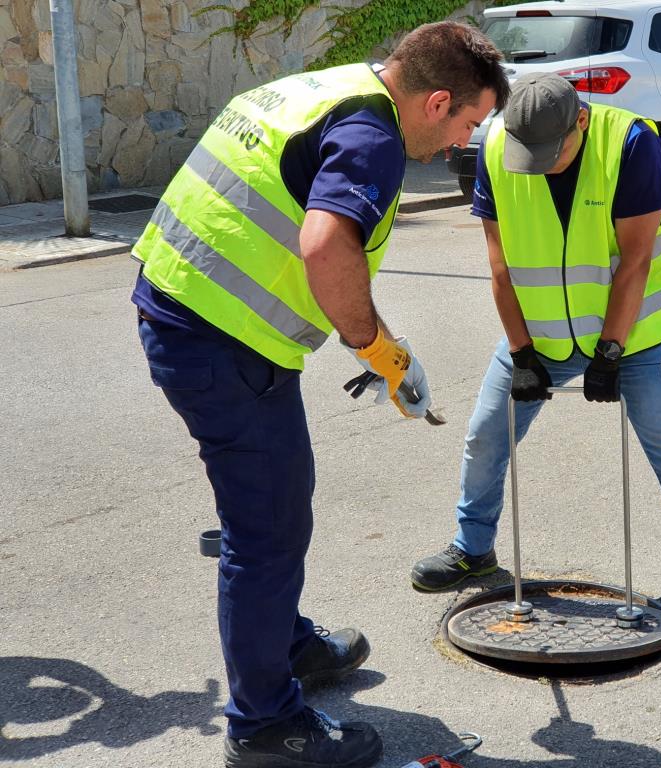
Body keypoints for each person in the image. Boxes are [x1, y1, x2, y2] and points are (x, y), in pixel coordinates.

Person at [131, 22, 509, 768]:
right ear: (436, 102)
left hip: (181, 305)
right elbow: (327, 243)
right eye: (469, 123)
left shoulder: (322, 87)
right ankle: (266, 726)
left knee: (277, 503)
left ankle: (287, 646)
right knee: (265, 532)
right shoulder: (372, 136)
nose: (465, 142)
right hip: (221, 342)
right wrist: (378, 348)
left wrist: (380, 343)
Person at [410, 73, 661, 669]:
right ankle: (472, 550)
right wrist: (522, 352)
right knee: (485, 435)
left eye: (552, 155)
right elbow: (500, 266)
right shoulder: (498, 149)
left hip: (636, 339)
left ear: (580, 120)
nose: (543, 166)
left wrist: (609, 352)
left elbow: (634, 261)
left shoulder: (631, 144)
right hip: (541, 336)